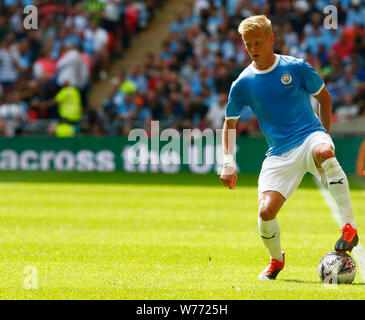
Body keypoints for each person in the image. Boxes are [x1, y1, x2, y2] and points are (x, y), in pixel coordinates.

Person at [219, 15, 359, 281]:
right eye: (248, 44)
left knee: (324, 153)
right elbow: (230, 123)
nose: (253, 49)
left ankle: (349, 228)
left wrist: (324, 136)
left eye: (258, 42)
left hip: (310, 137)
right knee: (265, 212)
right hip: (278, 154)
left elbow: (325, 100)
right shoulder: (243, 83)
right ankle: (276, 260)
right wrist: (227, 161)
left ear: (272, 39)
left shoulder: (296, 68)